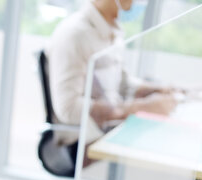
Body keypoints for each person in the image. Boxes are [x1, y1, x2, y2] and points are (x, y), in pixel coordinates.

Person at [47, 0, 177, 149]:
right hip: (83, 142)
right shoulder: (75, 34)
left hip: (110, 130)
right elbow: (68, 109)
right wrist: (134, 109)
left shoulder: (111, 30)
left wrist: (160, 90)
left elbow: (122, 85)